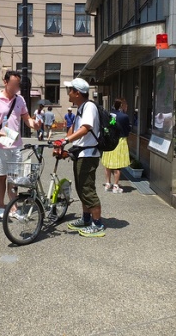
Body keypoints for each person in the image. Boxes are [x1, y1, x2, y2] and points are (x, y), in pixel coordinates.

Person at [0, 71, 40, 218]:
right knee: (1, 176)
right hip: (1, 144)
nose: (16, 87)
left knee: (14, 177)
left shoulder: (20, 99)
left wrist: (35, 125)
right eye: (14, 84)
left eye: (18, 84)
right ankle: (1, 205)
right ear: (6, 82)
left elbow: (26, 118)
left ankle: (13, 205)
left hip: (16, 145)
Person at [54, 78, 105, 238]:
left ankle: (97, 224)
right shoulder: (81, 108)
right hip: (82, 154)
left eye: (70, 89)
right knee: (81, 188)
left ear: (77, 93)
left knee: (87, 190)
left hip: (89, 155)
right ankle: (86, 218)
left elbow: (86, 128)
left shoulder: (89, 106)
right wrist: (59, 144)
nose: (68, 92)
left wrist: (65, 141)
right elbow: (73, 132)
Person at [101, 98, 131, 193]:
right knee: (117, 165)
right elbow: (128, 130)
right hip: (120, 141)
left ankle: (107, 183)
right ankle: (116, 186)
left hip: (110, 140)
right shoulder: (124, 116)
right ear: (122, 106)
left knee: (108, 164)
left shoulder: (109, 115)